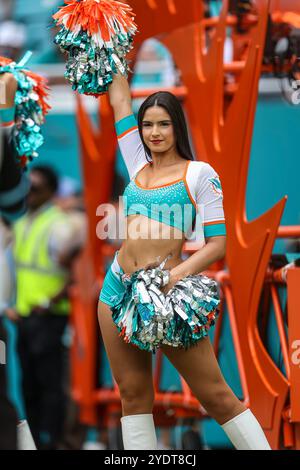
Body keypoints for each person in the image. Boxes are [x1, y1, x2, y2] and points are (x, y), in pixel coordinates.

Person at [97, 72, 272, 451]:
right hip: (116, 290)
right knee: (132, 394)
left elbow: (217, 245)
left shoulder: (200, 174)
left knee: (215, 394)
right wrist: (106, 41)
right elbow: (120, 101)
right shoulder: (135, 161)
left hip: (166, 296)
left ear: (177, 127)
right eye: (147, 125)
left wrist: (173, 277)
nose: (154, 132)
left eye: (163, 124)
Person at [5, 165, 75, 450]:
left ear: (50, 191)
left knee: (50, 385)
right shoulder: (22, 222)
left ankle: (53, 441)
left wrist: (50, 301)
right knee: (28, 385)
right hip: (24, 317)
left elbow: (74, 270)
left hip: (49, 318)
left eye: (35, 188)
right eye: (27, 187)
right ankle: (35, 442)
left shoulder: (60, 223)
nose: (29, 193)